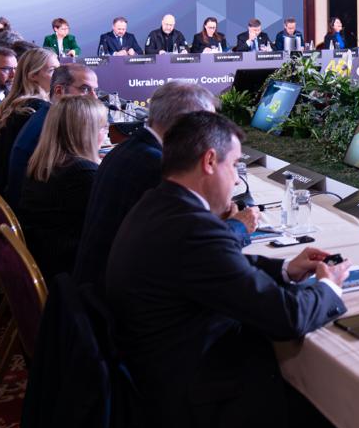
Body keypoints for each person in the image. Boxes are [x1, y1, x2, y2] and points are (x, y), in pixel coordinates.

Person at [105, 112, 353, 428]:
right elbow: (286, 318)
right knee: (338, 420)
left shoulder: (158, 204)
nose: (237, 179)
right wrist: (329, 286)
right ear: (209, 161)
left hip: (159, 386)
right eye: (234, 165)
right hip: (203, 418)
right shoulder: (192, 228)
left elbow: (218, 268)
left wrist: (287, 269)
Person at [74, 81, 250, 286]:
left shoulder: (129, 148)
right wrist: (238, 227)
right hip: (119, 294)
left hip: (96, 284)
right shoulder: (159, 166)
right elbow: (196, 251)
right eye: (208, 125)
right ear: (183, 123)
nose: (214, 133)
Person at [18, 96, 108, 279]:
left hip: (44, 257)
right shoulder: (82, 173)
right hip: (69, 271)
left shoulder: (44, 162)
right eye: (103, 127)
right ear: (86, 133)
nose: (106, 132)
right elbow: (106, 229)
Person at [7, 64, 99, 204]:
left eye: (95, 90)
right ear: (59, 90)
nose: (94, 97)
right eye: (85, 89)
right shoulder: (46, 127)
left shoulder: (47, 115)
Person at [0, 47, 58, 197]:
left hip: (3, 185)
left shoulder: (17, 102)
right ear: (33, 75)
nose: (59, 76)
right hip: (18, 194)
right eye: (53, 70)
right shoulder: (35, 109)